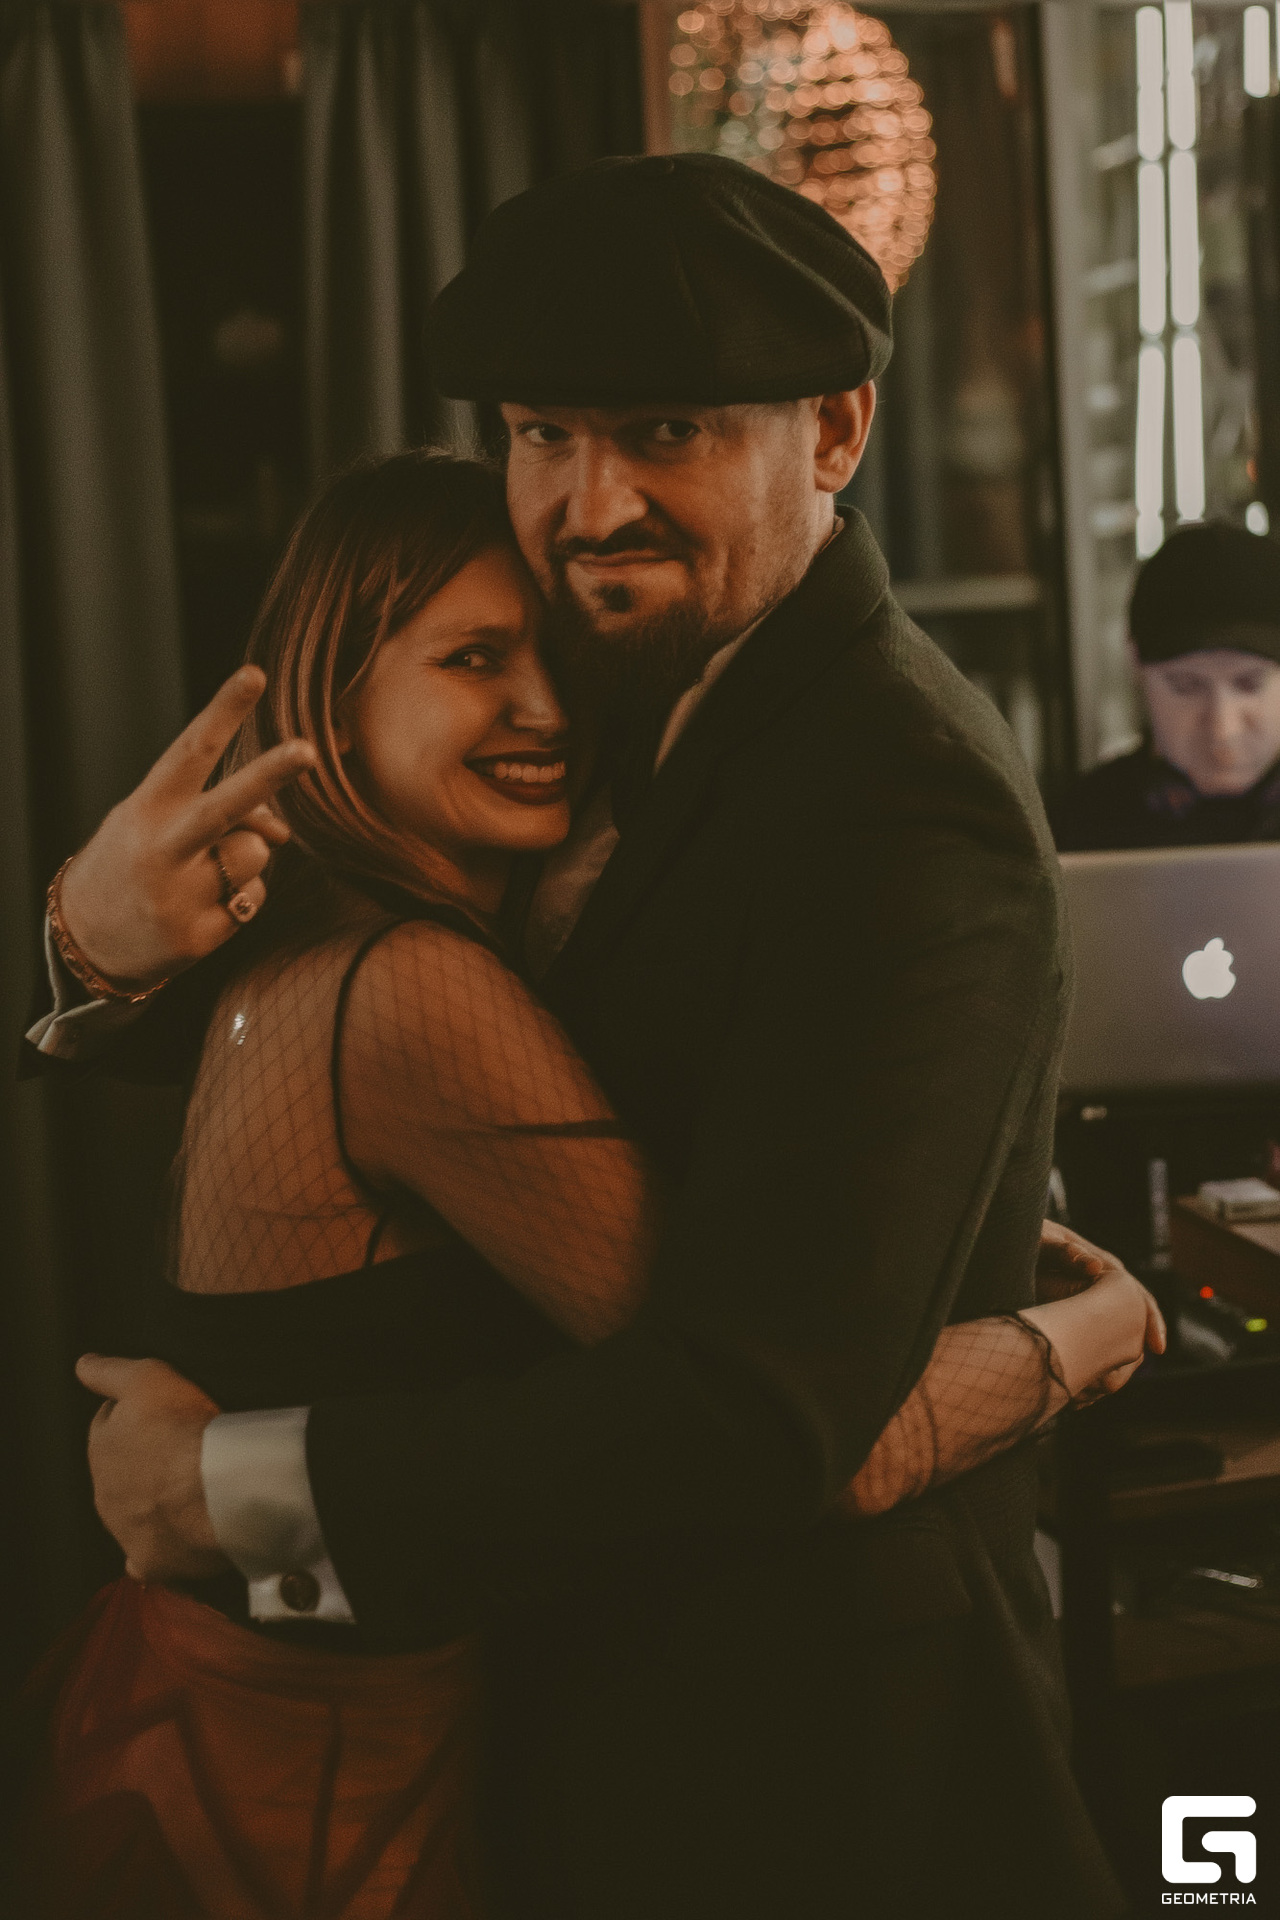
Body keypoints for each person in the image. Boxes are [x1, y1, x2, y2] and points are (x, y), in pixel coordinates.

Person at [28, 155, 1133, 1916]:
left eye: (663, 431)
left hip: (814, 1769)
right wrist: (94, 943)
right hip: (556, 1732)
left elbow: (759, 1415)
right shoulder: (615, 668)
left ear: (836, 430)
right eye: (544, 433)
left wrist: (232, 1491)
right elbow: (360, 1023)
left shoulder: (901, 803)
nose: (589, 503)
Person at [1053, 519, 1280, 850]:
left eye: (1250, 684)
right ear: (1135, 665)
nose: (1223, 728)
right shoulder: (1075, 825)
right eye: (1186, 686)